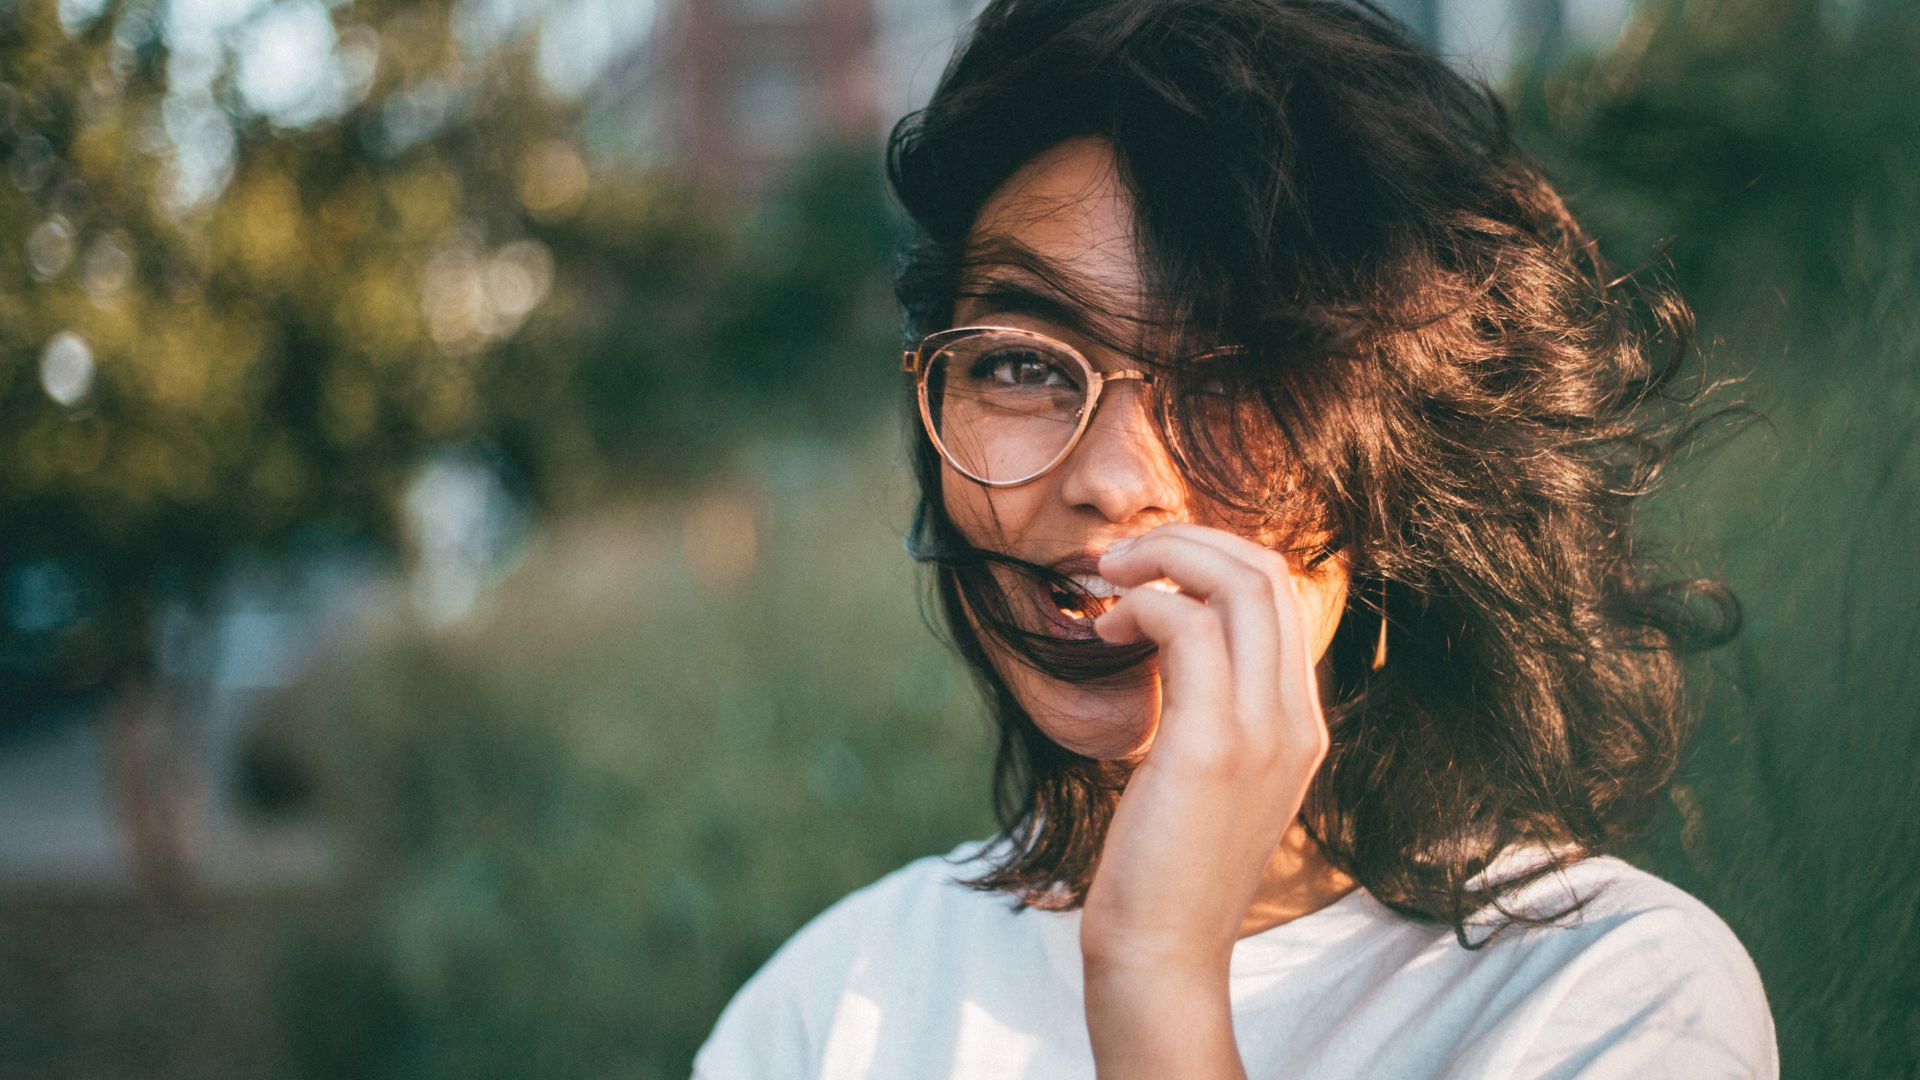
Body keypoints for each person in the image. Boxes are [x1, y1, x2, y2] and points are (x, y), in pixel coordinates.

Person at [694, 0, 1778, 1076]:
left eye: (1239, 378)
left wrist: (1154, 979)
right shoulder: (830, 1008)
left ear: (1400, 467)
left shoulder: (1610, 1000)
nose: (1112, 480)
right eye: (1021, 363)